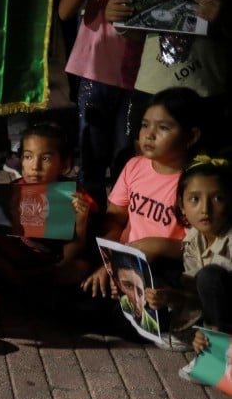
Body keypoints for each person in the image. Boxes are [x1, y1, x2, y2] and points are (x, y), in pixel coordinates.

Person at [81, 86, 203, 348]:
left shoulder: (197, 182)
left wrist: (156, 246)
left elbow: (203, 246)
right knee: (84, 287)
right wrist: (110, 263)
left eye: (163, 127)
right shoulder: (135, 166)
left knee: (154, 291)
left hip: (165, 267)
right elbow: (114, 217)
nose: (149, 134)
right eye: (145, 124)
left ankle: (172, 324)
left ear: (191, 136)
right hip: (125, 260)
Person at [105, 0, 232, 157]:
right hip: (151, 87)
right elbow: (143, 36)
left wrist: (224, 18)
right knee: (149, 170)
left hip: (205, 91)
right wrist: (120, 22)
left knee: (205, 173)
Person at [58, 0, 148, 211]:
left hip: (137, 77)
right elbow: (64, 11)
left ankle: (118, 229)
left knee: (125, 157)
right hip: (95, 73)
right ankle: (89, 226)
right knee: (91, 158)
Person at [140, 156, 232, 380]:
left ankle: (219, 355)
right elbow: (197, 294)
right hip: (221, 316)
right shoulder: (193, 239)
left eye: (218, 198)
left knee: (210, 276)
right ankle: (211, 343)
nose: (205, 209)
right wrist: (171, 297)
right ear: (181, 205)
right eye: (194, 199)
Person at [0, 123, 94, 289]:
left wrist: (81, 223)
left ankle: (21, 285)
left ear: (64, 164)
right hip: (18, 259)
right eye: (28, 157)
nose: (35, 167)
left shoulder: (74, 198)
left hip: (54, 262)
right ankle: (25, 285)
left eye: (45, 158)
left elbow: (73, 252)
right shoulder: (13, 190)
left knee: (80, 268)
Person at [109, 251, 161, 333]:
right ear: (118, 284)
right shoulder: (123, 301)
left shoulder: (153, 326)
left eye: (140, 293)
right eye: (128, 286)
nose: (136, 299)